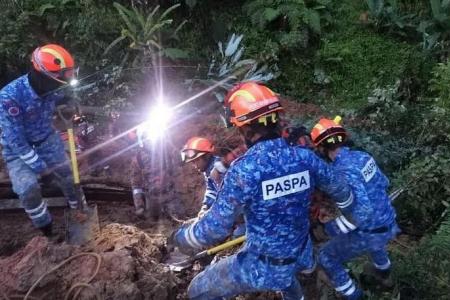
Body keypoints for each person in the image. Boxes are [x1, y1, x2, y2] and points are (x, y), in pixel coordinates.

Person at [171, 82, 354, 300]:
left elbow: (214, 229)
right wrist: (342, 222)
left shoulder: (244, 170)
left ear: (244, 128)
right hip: (303, 254)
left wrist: (181, 237)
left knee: (197, 290)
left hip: (263, 266)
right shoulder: (305, 158)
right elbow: (342, 190)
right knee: (289, 280)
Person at [310, 117, 400, 299]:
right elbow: (384, 182)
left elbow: (363, 211)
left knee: (327, 256)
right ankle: (386, 277)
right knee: (376, 245)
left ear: (321, 148)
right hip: (389, 222)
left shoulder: (342, 171)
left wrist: (331, 228)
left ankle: (354, 295)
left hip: (370, 231)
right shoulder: (363, 157)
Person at [0, 44, 80, 236]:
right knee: (28, 190)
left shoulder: (53, 86)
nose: (61, 86)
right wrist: (41, 168)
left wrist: (70, 103)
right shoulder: (9, 98)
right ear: (41, 76)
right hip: (18, 151)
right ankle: (48, 231)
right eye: (59, 81)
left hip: (48, 140)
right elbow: (17, 142)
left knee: (69, 178)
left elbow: (64, 97)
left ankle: (78, 211)